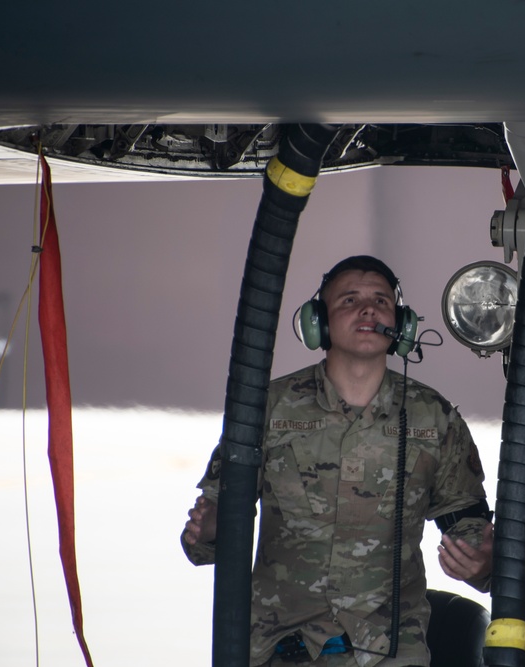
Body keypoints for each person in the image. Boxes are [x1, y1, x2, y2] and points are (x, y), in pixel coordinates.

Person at [182, 255, 494, 667]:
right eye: (349, 300)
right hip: (276, 649)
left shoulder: (432, 416)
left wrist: (480, 563)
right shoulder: (267, 408)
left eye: (381, 301)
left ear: (400, 325)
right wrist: (210, 532)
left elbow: (468, 522)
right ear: (319, 322)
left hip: (390, 653)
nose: (368, 309)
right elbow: (205, 540)